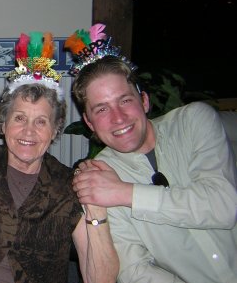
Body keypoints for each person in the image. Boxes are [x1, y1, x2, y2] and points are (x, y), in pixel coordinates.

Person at [0, 31, 118, 283]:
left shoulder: (69, 185)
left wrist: (96, 209)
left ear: (55, 130)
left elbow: (101, 279)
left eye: (41, 121)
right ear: (2, 123)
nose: (29, 131)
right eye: (19, 118)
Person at [66, 24, 237, 283]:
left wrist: (125, 193)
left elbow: (223, 207)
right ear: (89, 123)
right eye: (102, 109)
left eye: (125, 100)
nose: (118, 118)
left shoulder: (193, 122)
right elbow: (135, 270)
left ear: (144, 101)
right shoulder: (100, 175)